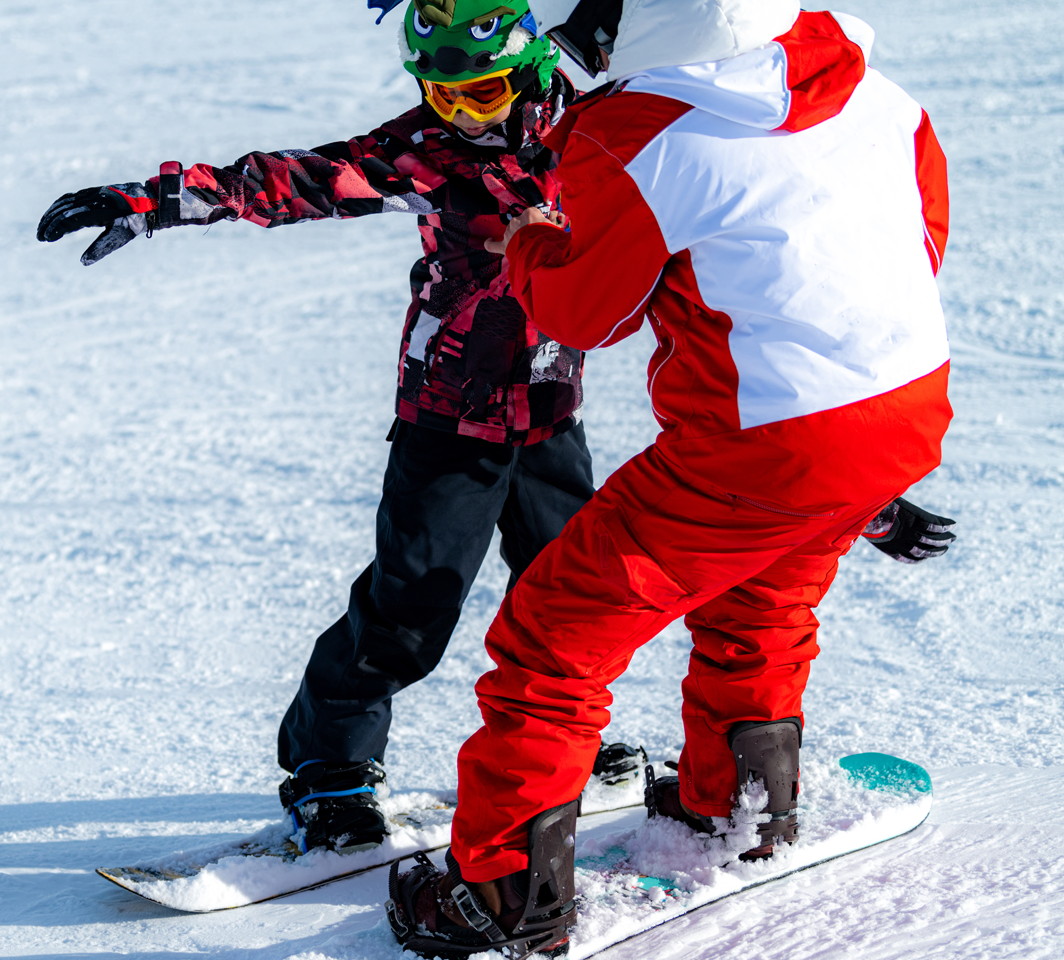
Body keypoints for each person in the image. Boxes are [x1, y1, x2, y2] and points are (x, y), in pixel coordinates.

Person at [385, 1, 955, 957]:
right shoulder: (872, 87)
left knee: (552, 640)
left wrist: (529, 240)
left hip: (759, 444)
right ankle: (742, 809)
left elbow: (586, 311)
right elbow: (922, 239)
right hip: (902, 408)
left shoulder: (639, 134)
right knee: (762, 604)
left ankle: (503, 895)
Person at [36, 0, 641, 855]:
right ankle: (332, 768)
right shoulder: (421, 155)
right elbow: (286, 182)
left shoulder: (593, 133)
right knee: (409, 612)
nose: (464, 114)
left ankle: (563, 736)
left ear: (535, 67)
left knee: (576, 596)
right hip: (448, 424)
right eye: (443, 95)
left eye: (484, 92)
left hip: (551, 415)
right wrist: (157, 199)